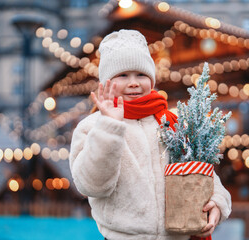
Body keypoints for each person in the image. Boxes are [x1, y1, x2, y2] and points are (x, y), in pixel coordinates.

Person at [69, 29, 231, 240]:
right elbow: (92, 185)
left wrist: (217, 202)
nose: (134, 82)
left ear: (152, 80)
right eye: (123, 75)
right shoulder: (92, 127)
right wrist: (109, 125)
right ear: (106, 83)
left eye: (141, 74)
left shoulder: (171, 122)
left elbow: (199, 170)